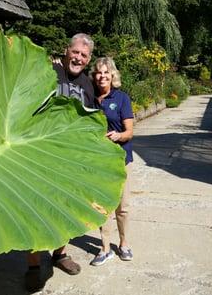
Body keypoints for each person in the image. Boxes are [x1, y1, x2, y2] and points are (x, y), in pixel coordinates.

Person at [25, 33, 96, 292]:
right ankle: (33, 266)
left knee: (63, 209)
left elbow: (89, 125)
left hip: (68, 159)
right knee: (32, 210)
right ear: (67, 51)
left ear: (88, 60)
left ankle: (59, 254)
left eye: (83, 55)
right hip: (40, 154)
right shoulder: (50, 71)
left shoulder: (88, 86)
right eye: (75, 52)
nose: (78, 57)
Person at [89, 56, 134, 266]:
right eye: (99, 72)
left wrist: (118, 136)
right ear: (94, 76)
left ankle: (123, 243)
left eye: (106, 72)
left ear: (113, 75)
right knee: (101, 207)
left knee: (122, 207)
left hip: (121, 160)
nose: (102, 76)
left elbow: (129, 132)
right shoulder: (89, 98)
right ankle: (105, 248)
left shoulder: (122, 98)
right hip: (98, 162)